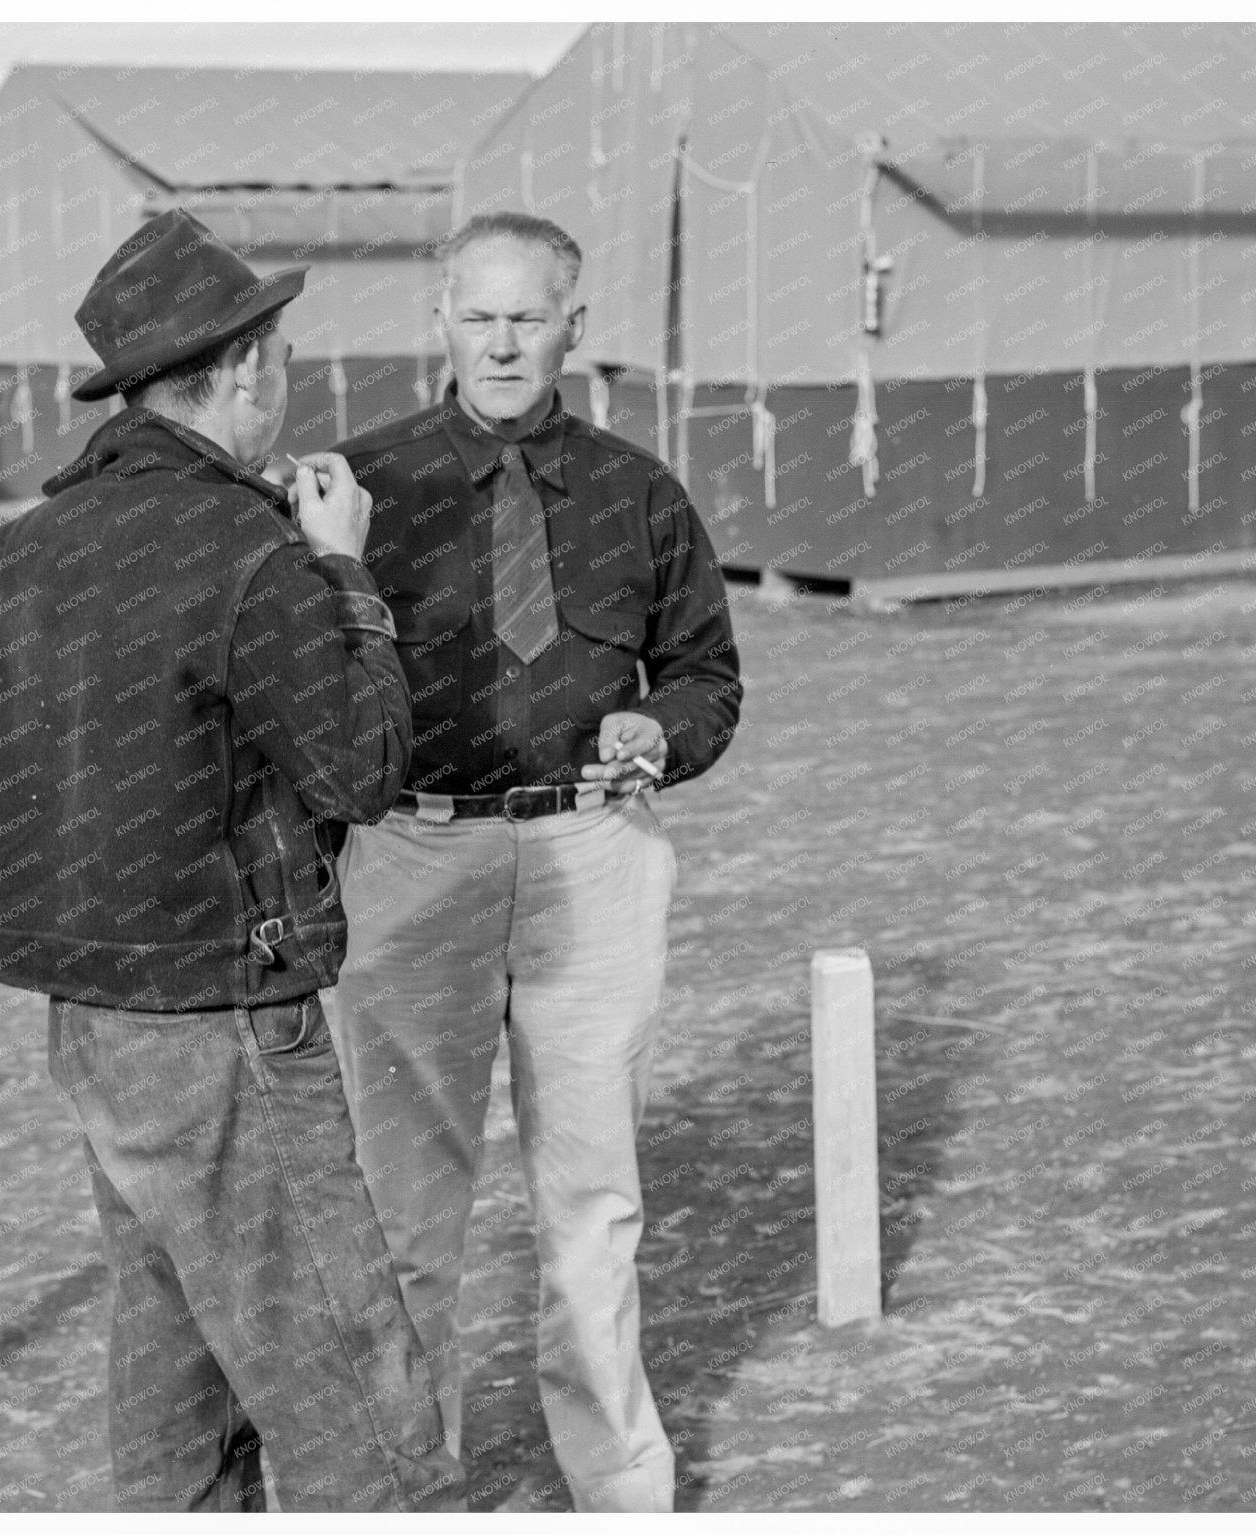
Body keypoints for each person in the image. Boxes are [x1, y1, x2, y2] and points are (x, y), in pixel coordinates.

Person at [0, 209, 461, 1513]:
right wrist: (346, 575)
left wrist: (87, 815)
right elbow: (364, 769)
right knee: (352, 1399)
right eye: (282, 358)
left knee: (174, 1369)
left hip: (87, 1008)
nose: (286, 380)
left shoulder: (29, 542)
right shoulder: (251, 548)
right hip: (223, 1009)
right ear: (245, 368)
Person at [324, 211, 744, 1512]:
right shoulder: (354, 492)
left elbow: (708, 676)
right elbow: (301, 686)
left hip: (592, 853)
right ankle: (404, 1493)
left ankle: (620, 1491)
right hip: (412, 855)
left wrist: (661, 732)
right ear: (439, 321)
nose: (502, 344)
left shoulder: (641, 493)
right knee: (402, 1215)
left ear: (574, 327)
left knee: (593, 1207)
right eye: (478, 316)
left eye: (527, 317)